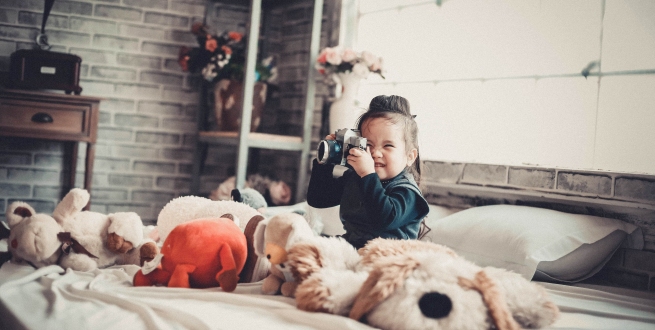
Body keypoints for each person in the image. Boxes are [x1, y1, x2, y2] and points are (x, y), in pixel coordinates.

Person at [307, 95, 430, 249]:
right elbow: (318, 199)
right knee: (305, 250)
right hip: (353, 247)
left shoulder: (407, 192)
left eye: (388, 146)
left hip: (389, 256)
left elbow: (383, 218)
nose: (376, 153)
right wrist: (326, 162)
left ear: (409, 157)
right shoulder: (357, 177)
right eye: (368, 144)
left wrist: (368, 175)